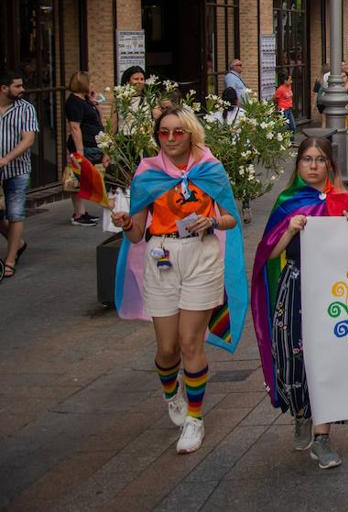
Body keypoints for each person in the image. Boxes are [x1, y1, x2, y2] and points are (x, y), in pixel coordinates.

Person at [110, 108, 246, 454]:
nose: (170, 139)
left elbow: (230, 217)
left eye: (178, 132)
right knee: (167, 348)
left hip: (201, 256)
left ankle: (195, 419)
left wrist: (212, 222)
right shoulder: (147, 174)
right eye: (164, 133)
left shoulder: (210, 170)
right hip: (162, 257)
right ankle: (173, 394)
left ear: (191, 134)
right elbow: (138, 233)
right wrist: (125, 222)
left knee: (190, 343)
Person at [251, 137, 348, 469]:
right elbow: (268, 254)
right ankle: (302, 413)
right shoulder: (288, 202)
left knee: (328, 357)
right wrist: (288, 231)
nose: (313, 165)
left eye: (320, 159)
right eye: (307, 159)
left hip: (333, 290)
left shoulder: (344, 201)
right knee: (294, 356)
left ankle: (322, 437)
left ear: (330, 164)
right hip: (297, 285)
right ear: (298, 165)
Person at [0, 71, 38, 283]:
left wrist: (6, 158)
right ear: (3, 88)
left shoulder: (26, 109)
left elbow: (28, 139)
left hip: (18, 169)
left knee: (15, 213)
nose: (22, 90)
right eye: (17, 86)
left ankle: (10, 259)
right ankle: (19, 243)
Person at [65, 70, 105, 226]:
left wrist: (95, 102)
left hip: (94, 143)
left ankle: (82, 212)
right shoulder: (74, 102)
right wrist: (79, 151)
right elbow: (75, 127)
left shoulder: (85, 100)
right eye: (90, 82)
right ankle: (78, 213)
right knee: (77, 179)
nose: (92, 84)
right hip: (84, 146)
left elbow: (98, 120)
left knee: (85, 178)